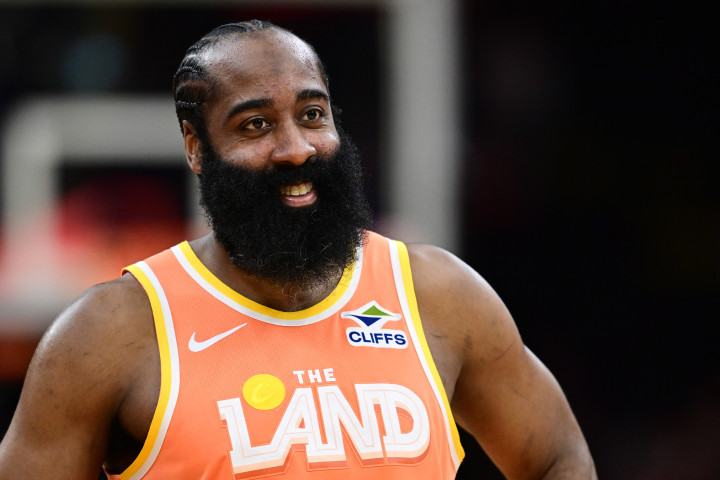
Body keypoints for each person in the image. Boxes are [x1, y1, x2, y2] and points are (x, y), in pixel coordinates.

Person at [0, 20, 596, 479]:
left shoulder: (437, 294)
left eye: (312, 115)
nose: (295, 149)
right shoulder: (111, 332)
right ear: (196, 148)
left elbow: (558, 457)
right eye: (255, 125)